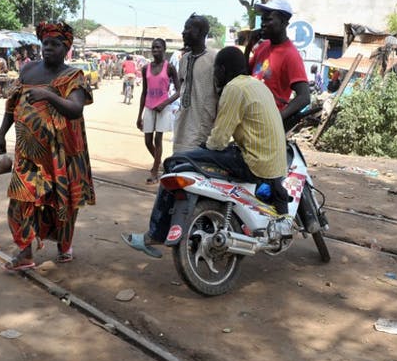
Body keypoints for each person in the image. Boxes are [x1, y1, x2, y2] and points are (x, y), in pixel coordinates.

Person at [121, 47, 291, 258]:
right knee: (195, 159)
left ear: (221, 70)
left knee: (174, 164)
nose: (215, 76)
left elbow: (219, 139)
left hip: (252, 163)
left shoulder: (234, 89)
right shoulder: (258, 86)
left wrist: (202, 149)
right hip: (274, 164)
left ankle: (155, 233)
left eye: (215, 72)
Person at [0, 21, 95, 270]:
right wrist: (1, 134)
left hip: (62, 154)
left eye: (55, 44)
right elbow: (11, 106)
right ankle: (25, 252)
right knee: (21, 199)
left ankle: (64, 244)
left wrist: (49, 95)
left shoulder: (73, 76)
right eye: (45, 43)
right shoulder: (28, 71)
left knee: (64, 200)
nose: (48, 48)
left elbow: (75, 109)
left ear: (66, 48)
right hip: (27, 153)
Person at [244, 0, 309, 132]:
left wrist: (276, 119)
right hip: (250, 121)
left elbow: (304, 97)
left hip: (266, 128)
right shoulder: (262, 47)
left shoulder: (291, 55)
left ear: (284, 23)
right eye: (263, 20)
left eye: (268, 20)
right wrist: (249, 45)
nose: (263, 24)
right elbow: (243, 75)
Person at [135, 38, 180, 183]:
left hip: (163, 109)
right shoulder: (145, 68)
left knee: (158, 139)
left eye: (158, 47)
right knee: (148, 141)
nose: (155, 50)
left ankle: (154, 171)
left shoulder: (170, 68)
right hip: (149, 107)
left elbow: (179, 91)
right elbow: (144, 92)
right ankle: (159, 163)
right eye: (153, 48)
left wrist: (165, 103)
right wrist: (139, 116)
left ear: (164, 49)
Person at [172, 14, 218, 153]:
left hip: (203, 129)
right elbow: (182, 85)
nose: (183, 32)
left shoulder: (214, 59)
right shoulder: (184, 59)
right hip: (182, 127)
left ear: (200, 32)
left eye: (188, 29)